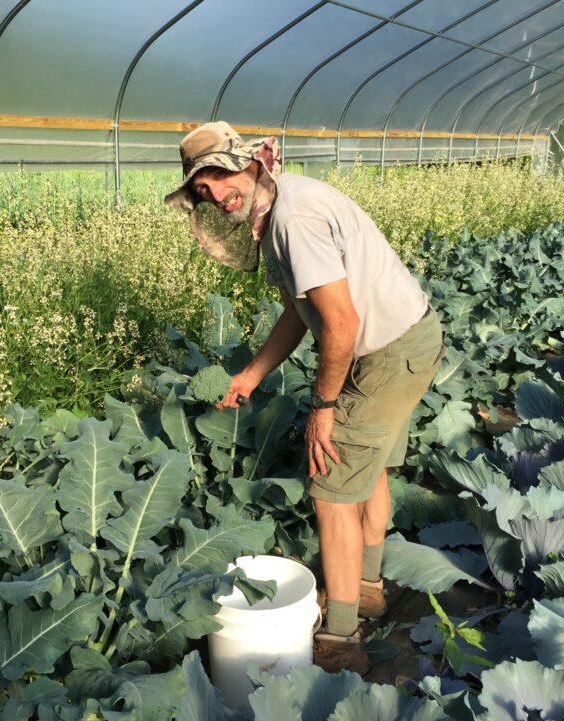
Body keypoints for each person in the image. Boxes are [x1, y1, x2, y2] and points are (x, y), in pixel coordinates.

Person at [165, 122, 443, 675]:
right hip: (405, 339)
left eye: (220, 175)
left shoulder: (294, 219)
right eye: (203, 190)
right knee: (371, 470)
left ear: (252, 163)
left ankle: (341, 639)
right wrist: (252, 373)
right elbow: (300, 311)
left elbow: (339, 326)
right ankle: (364, 588)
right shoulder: (279, 209)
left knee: (332, 487)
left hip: (383, 352)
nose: (218, 194)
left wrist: (323, 409)